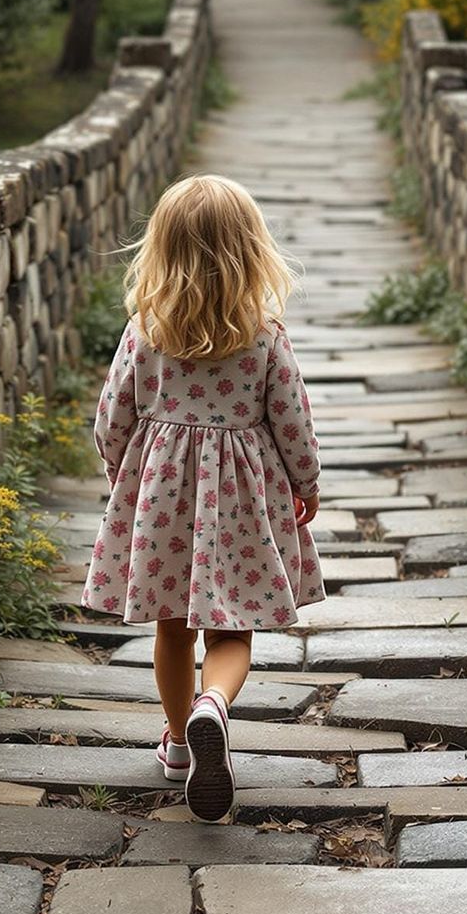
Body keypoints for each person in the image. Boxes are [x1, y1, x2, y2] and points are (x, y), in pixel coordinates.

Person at [85, 174, 323, 822]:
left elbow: (112, 419)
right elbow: (292, 420)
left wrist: (121, 483)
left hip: (162, 499)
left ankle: (178, 743)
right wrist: (307, 483)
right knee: (232, 629)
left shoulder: (145, 332)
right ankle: (212, 707)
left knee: (170, 627)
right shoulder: (265, 336)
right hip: (243, 502)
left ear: (160, 251)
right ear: (250, 251)